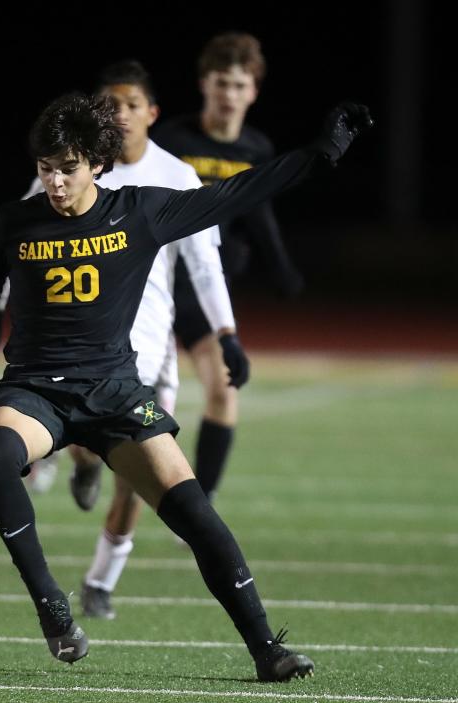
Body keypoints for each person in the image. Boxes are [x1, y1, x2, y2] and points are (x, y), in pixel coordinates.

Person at [0, 92, 370, 681]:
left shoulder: (138, 212)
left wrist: (321, 153)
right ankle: (52, 607)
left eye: (68, 168)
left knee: (196, 513)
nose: (55, 183)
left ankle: (267, 649)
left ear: (97, 164)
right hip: (36, 391)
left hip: (115, 393)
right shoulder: (16, 220)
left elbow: (238, 192)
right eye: (46, 169)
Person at [31, 60, 246, 620]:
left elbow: (204, 265)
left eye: (130, 103)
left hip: (148, 356)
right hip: (76, 350)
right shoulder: (67, 169)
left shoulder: (175, 177)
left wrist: (227, 334)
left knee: (138, 481)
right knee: (86, 444)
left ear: (151, 112)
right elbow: (18, 252)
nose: (120, 114)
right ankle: (81, 462)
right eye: (110, 104)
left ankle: (102, 579)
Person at [153, 32, 300, 503]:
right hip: (150, 285)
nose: (229, 95)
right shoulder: (172, 141)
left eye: (239, 85)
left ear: (254, 90)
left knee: (224, 388)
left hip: (201, 289)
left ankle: (203, 500)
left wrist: (278, 265)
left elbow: (259, 211)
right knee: (119, 397)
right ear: (204, 85)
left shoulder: (256, 149)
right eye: (221, 83)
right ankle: (71, 457)